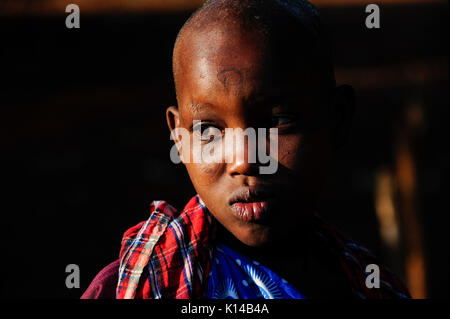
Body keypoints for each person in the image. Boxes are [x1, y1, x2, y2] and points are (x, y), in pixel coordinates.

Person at [81, 0, 410, 299]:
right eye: (208, 130)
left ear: (337, 120)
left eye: (277, 120)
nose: (245, 161)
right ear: (179, 139)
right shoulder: (136, 286)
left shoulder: (370, 286)